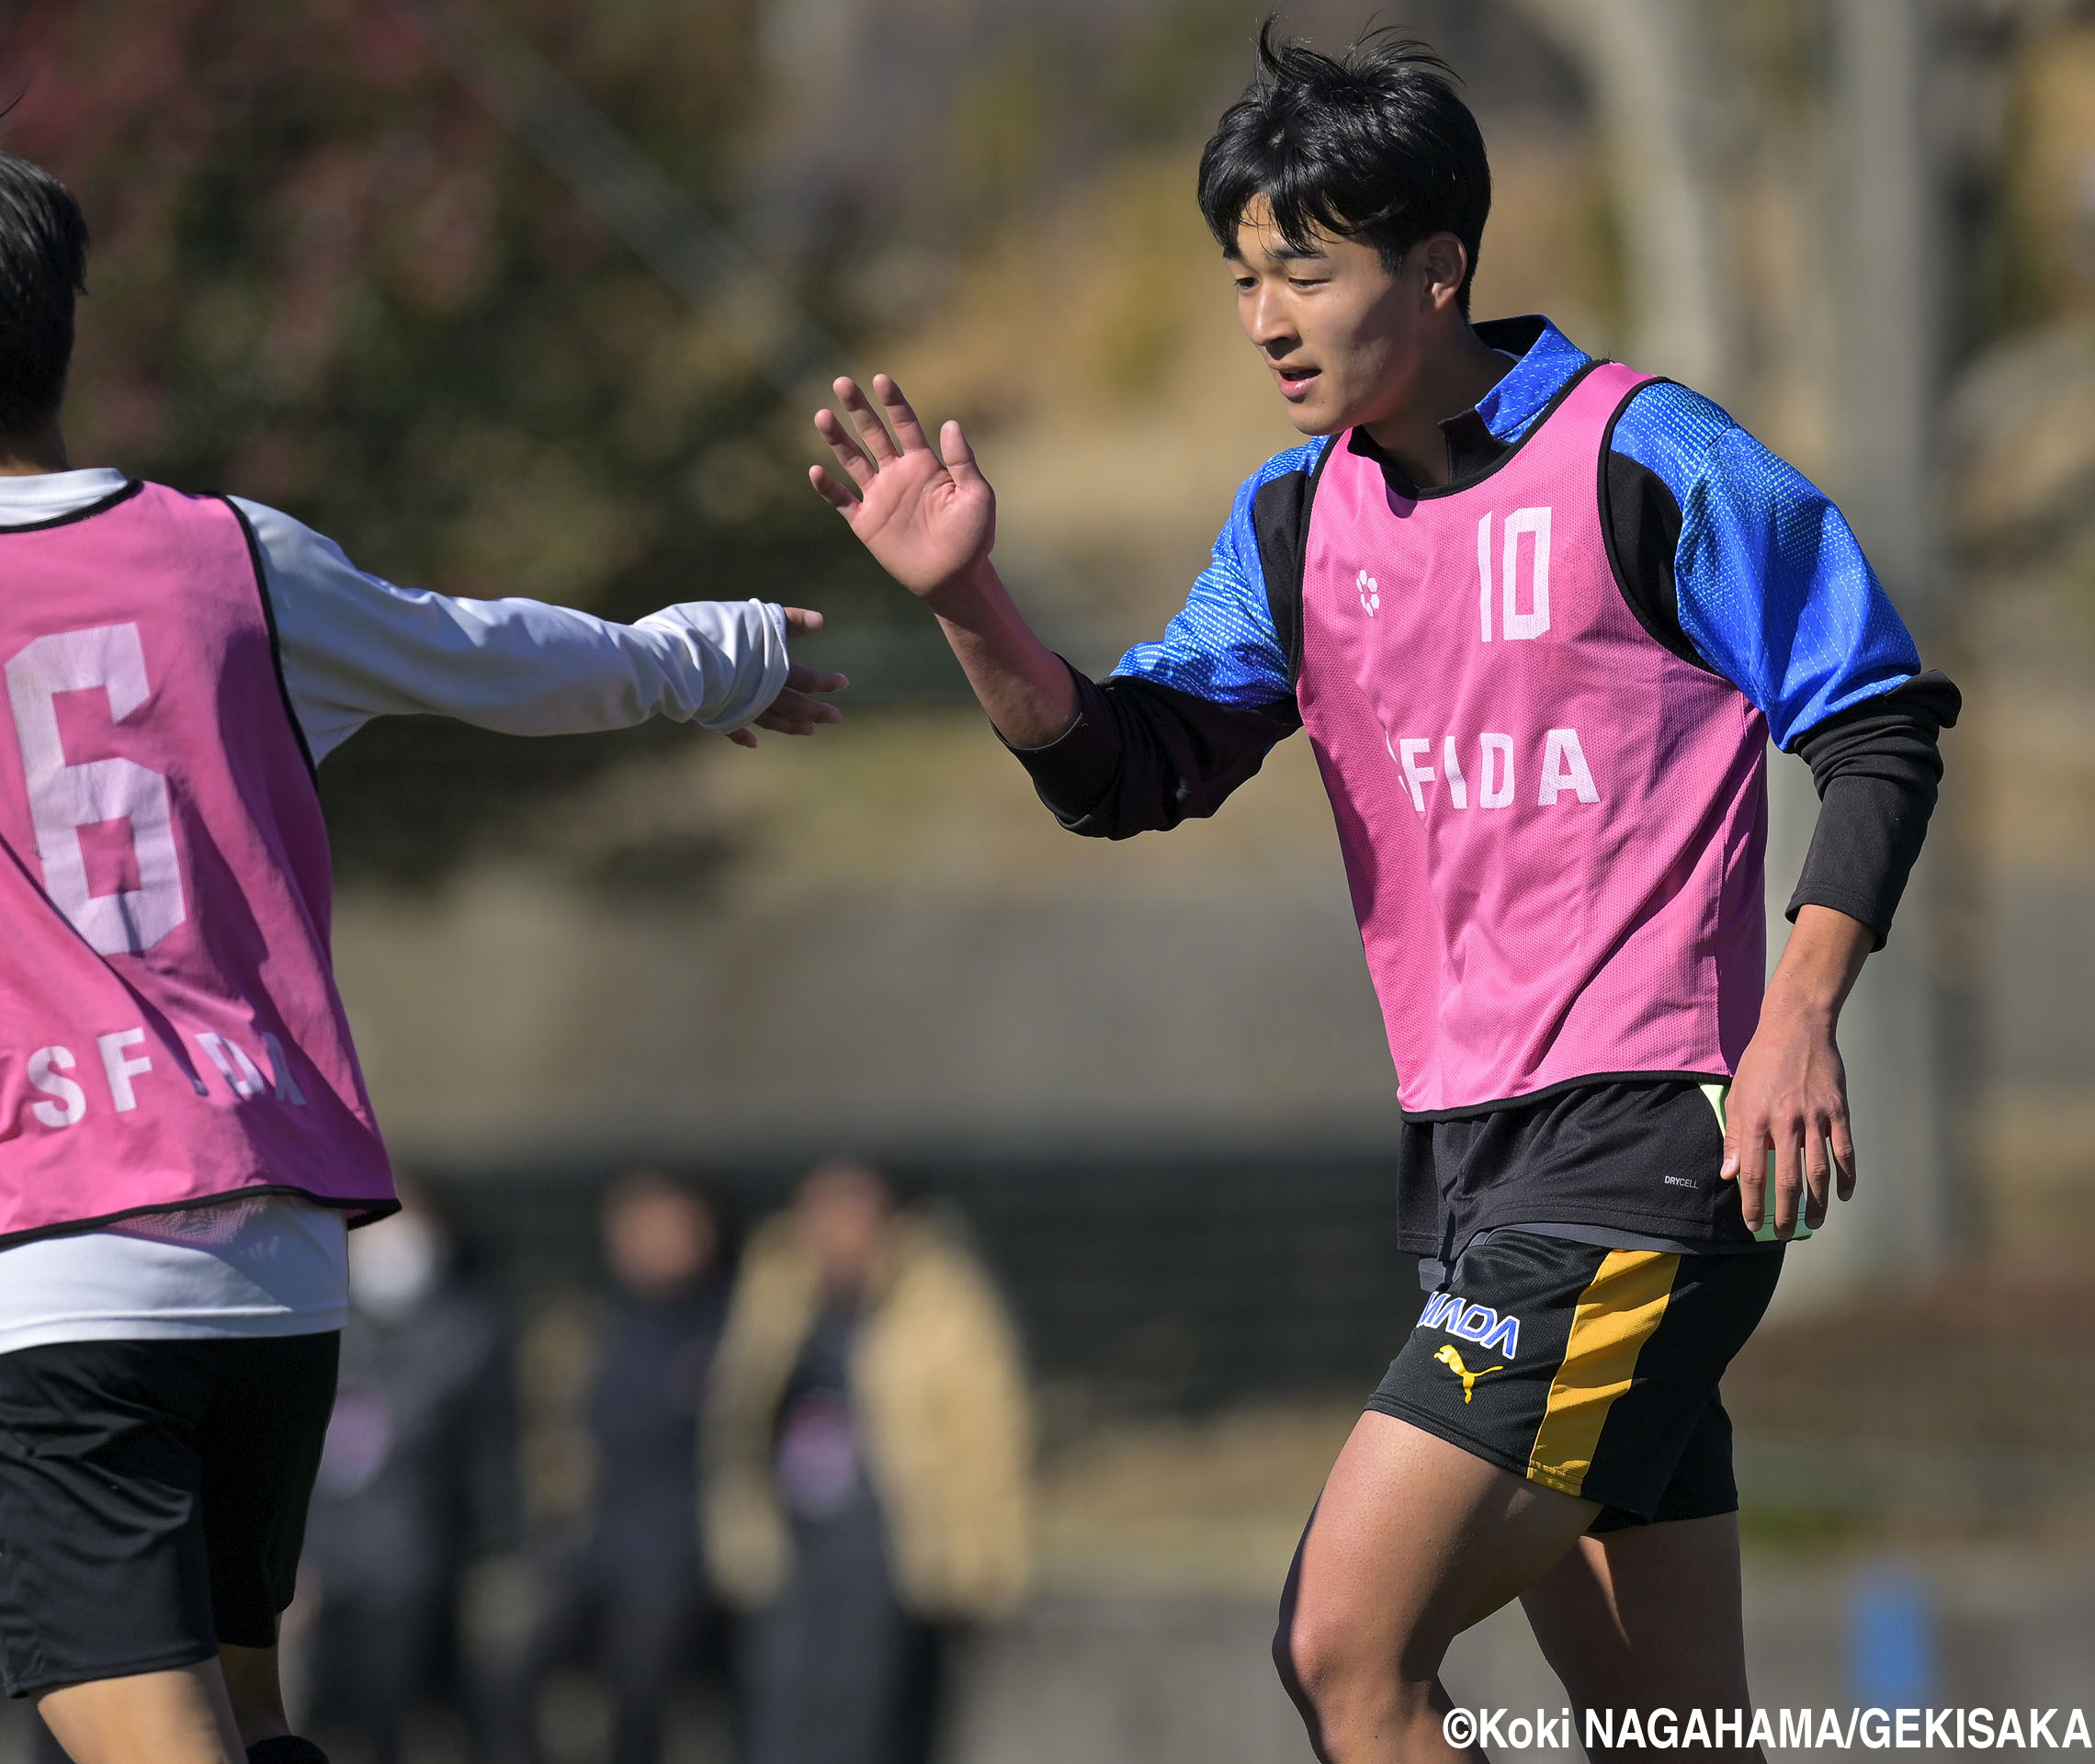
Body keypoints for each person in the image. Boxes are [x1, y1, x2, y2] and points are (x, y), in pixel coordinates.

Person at [806, 28, 1958, 1762]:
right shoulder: (1297, 523)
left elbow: (1874, 723)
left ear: (1438, 267)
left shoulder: (1645, 461)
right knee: (1675, 1739)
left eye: (1307, 269)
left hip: (1647, 1152)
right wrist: (975, 602)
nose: (1265, 316)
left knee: (1345, 1650)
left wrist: (1801, 1015)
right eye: (1243, 273)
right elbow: (1127, 769)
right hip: (1472, 1172)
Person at [0, 132, 845, 1764]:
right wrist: (713, 657)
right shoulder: (228, 553)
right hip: (271, 1261)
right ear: (64, 316)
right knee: (249, 1716)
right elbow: (491, 656)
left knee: (155, 1737)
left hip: (42, 1259)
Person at [702, 1161, 1030, 1764]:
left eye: (850, 1213)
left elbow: (986, 1438)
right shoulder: (777, 1293)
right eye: (818, 1214)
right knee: (779, 1712)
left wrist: (984, 1556)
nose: (833, 1232)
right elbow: (737, 1414)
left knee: (870, 1716)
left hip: (889, 1544)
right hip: (793, 1544)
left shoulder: (941, 1301)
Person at [511, 1171, 731, 1764]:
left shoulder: (734, 1325)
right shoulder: (586, 1324)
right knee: (514, 1670)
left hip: (685, 1549)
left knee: (642, 1684)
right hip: (596, 1541)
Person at [299, 1185, 518, 1763]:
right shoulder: (318, 1322)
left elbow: (491, 1459)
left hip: (421, 1557)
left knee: (398, 1707)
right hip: (324, 1563)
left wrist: (498, 1550)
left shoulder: (469, 1330)